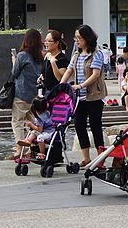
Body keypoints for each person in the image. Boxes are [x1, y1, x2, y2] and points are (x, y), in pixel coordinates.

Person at [60, 24, 107, 166]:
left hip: (94, 96)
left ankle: (100, 159)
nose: (77, 40)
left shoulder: (96, 54)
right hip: (79, 97)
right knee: (79, 126)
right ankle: (86, 157)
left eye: (79, 37)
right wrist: (61, 85)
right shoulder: (76, 55)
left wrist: (81, 85)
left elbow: (96, 74)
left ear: (87, 38)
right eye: (76, 38)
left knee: (95, 126)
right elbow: (69, 71)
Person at [10, 28, 42, 156]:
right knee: (33, 122)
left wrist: (14, 62)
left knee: (17, 122)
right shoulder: (40, 56)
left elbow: (14, 73)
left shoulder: (22, 55)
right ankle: (33, 148)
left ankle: (19, 149)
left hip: (22, 94)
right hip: (35, 94)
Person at [40, 29, 69, 94]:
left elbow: (60, 78)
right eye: (45, 41)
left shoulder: (62, 58)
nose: (46, 43)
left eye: (49, 41)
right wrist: (42, 76)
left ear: (56, 43)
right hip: (46, 92)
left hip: (57, 94)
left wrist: (53, 63)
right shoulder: (47, 56)